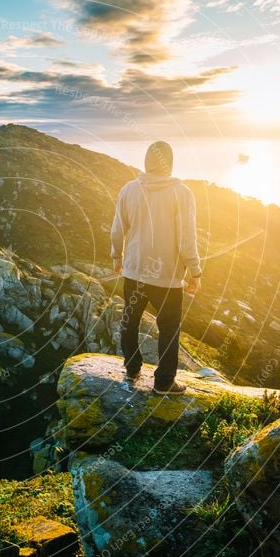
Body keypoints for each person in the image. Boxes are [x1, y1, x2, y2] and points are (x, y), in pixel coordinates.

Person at [110, 140, 202, 395]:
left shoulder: (129, 190)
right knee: (169, 328)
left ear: (146, 163)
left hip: (135, 271)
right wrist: (195, 271)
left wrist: (116, 257)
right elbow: (187, 239)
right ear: (169, 164)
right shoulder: (182, 194)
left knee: (130, 321)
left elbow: (118, 229)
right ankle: (163, 382)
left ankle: (132, 368)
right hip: (167, 277)